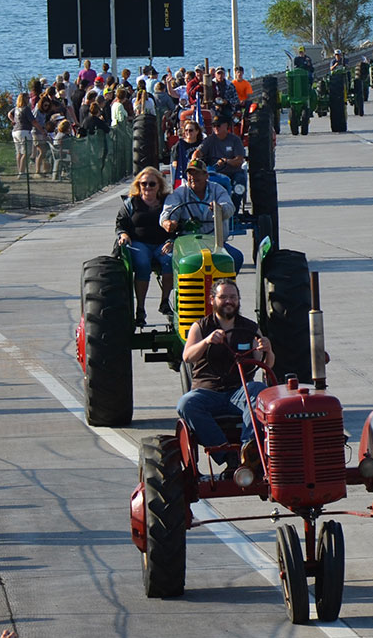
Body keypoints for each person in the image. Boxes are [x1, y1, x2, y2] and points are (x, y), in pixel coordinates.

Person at [176, 282, 274, 473]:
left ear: (238, 300)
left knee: (258, 391)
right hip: (207, 392)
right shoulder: (201, 326)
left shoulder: (250, 328)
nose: (229, 301)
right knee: (186, 404)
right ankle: (227, 454)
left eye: (233, 297)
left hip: (239, 390)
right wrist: (206, 341)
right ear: (212, 300)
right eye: (223, 297)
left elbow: (266, 364)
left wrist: (267, 350)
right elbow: (187, 356)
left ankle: (250, 450)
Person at [116, 168, 175, 321]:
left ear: (159, 185)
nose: (147, 187)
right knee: (142, 264)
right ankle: (140, 308)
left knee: (170, 260)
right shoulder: (131, 203)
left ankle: (164, 302)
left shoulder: (168, 202)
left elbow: (178, 224)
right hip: (139, 243)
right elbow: (121, 224)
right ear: (138, 185)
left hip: (162, 243)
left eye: (151, 184)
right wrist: (123, 234)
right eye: (144, 184)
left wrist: (171, 240)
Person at [201, 114, 246, 190]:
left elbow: (239, 160)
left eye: (218, 125)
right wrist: (195, 158)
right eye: (214, 126)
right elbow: (199, 152)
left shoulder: (235, 140)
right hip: (214, 173)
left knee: (239, 181)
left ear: (226, 125)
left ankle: (235, 200)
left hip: (232, 173)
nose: (216, 128)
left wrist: (226, 161)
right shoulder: (209, 140)